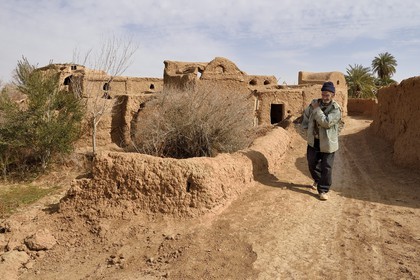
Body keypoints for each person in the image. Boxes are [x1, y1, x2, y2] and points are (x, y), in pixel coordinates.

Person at [302, 81, 342, 200]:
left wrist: (317, 110)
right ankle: (318, 180)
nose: (324, 97)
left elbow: (326, 123)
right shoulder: (314, 103)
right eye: (323, 94)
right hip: (314, 141)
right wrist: (305, 129)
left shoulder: (336, 109)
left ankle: (323, 190)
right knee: (311, 163)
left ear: (333, 95)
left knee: (326, 167)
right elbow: (306, 115)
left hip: (328, 143)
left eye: (327, 95)